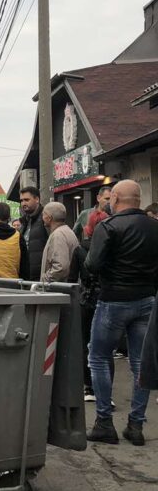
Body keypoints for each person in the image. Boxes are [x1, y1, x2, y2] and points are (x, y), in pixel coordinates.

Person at [84, 180, 158, 446]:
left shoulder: (108, 226)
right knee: (140, 362)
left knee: (99, 358)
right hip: (146, 299)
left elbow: (92, 265)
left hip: (113, 300)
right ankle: (135, 426)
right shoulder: (154, 227)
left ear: (114, 198)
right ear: (138, 199)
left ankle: (104, 422)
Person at [68, 213, 114, 403]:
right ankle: (107, 391)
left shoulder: (80, 249)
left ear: (88, 229)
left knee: (86, 343)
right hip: (109, 299)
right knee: (107, 348)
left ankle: (89, 387)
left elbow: (72, 279)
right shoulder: (114, 249)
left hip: (86, 300)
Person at [40, 202, 79, 283]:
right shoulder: (68, 231)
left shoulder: (58, 235)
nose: (42, 217)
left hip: (58, 290)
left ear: (49, 218)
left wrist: (44, 281)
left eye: (43, 214)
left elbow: (60, 268)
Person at [20, 186, 48, 281]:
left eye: (26, 200)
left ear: (37, 199)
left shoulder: (46, 218)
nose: (23, 203)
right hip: (27, 275)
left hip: (41, 276)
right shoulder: (25, 221)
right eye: (21, 200)